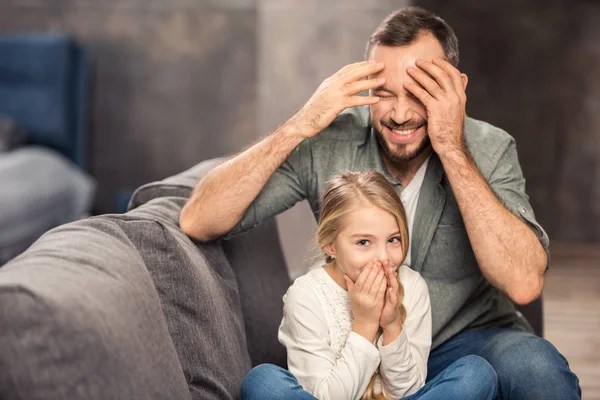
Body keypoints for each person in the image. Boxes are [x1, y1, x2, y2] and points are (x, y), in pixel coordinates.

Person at [181, 6, 581, 399]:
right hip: (347, 349)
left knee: (537, 369)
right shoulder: (328, 142)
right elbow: (199, 219)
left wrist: (450, 146)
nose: (401, 114)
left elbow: (524, 282)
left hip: (467, 342)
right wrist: (301, 123)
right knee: (265, 383)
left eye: (420, 94)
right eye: (384, 95)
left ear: (456, 89)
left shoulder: (490, 148)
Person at [240, 171, 498, 399]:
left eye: (393, 240)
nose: (383, 258)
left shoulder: (412, 287)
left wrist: (392, 324)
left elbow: (409, 391)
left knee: (476, 374)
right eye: (364, 242)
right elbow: (324, 397)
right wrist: (364, 324)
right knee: (263, 381)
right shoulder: (306, 296)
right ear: (330, 245)